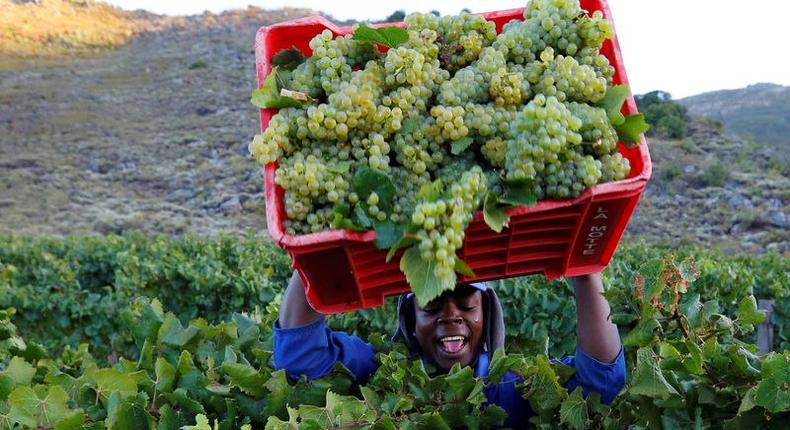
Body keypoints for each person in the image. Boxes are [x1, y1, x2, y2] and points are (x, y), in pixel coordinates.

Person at [274, 271, 625, 428]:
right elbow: (299, 357)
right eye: (431, 307)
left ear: (487, 318)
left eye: (467, 306)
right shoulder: (379, 373)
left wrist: (586, 272)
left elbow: (600, 384)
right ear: (411, 321)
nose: (451, 316)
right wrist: (316, 259)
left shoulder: (514, 386)